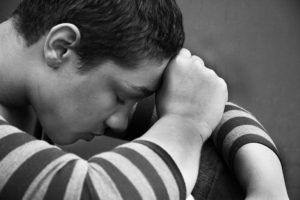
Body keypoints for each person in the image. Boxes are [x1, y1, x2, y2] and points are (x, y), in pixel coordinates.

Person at [0, 0, 288, 199]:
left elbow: (210, 108)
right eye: (120, 96)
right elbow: (94, 194)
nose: (120, 121)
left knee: (210, 159)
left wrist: (269, 191)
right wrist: (185, 122)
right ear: (61, 48)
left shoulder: (36, 90)